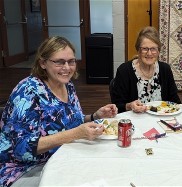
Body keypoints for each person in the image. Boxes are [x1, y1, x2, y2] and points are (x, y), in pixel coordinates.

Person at [0, 36, 118, 187]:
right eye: (59, 62)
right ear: (43, 63)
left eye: (71, 61)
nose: (67, 68)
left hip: (62, 157)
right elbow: (21, 148)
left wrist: (95, 116)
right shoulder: (28, 92)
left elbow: (71, 122)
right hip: (23, 170)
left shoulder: (67, 85)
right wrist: (76, 134)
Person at [111, 26, 181, 113]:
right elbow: (116, 106)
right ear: (138, 50)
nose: (149, 53)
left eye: (153, 49)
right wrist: (129, 106)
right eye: (145, 49)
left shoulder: (165, 69)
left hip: (162, 120)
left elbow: (175, 101)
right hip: (135, 120)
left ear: (158, 51)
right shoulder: (124, 71)